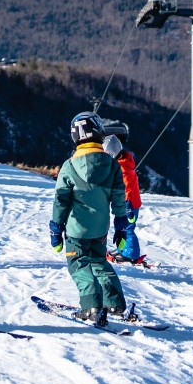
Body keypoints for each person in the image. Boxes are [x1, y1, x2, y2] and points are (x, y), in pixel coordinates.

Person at [49, 111, 128, 326]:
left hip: (77, 230)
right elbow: (120, 197)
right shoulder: (112, 164)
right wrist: (121, 225)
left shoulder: (69, 166)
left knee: (79, 264)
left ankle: (91, 306)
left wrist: (56, 229)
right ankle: (115, 304)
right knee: (99, 262)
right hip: (100, 229)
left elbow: (61, 201)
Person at [102, 122, 144, 263]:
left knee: (127, 228)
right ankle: (122, 249)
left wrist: (128, 206)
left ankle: (131, 254)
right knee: (121, 227)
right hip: (127, 203)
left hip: (129, 204)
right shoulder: (123, 163)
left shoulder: (123, 170)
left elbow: (128, 189)